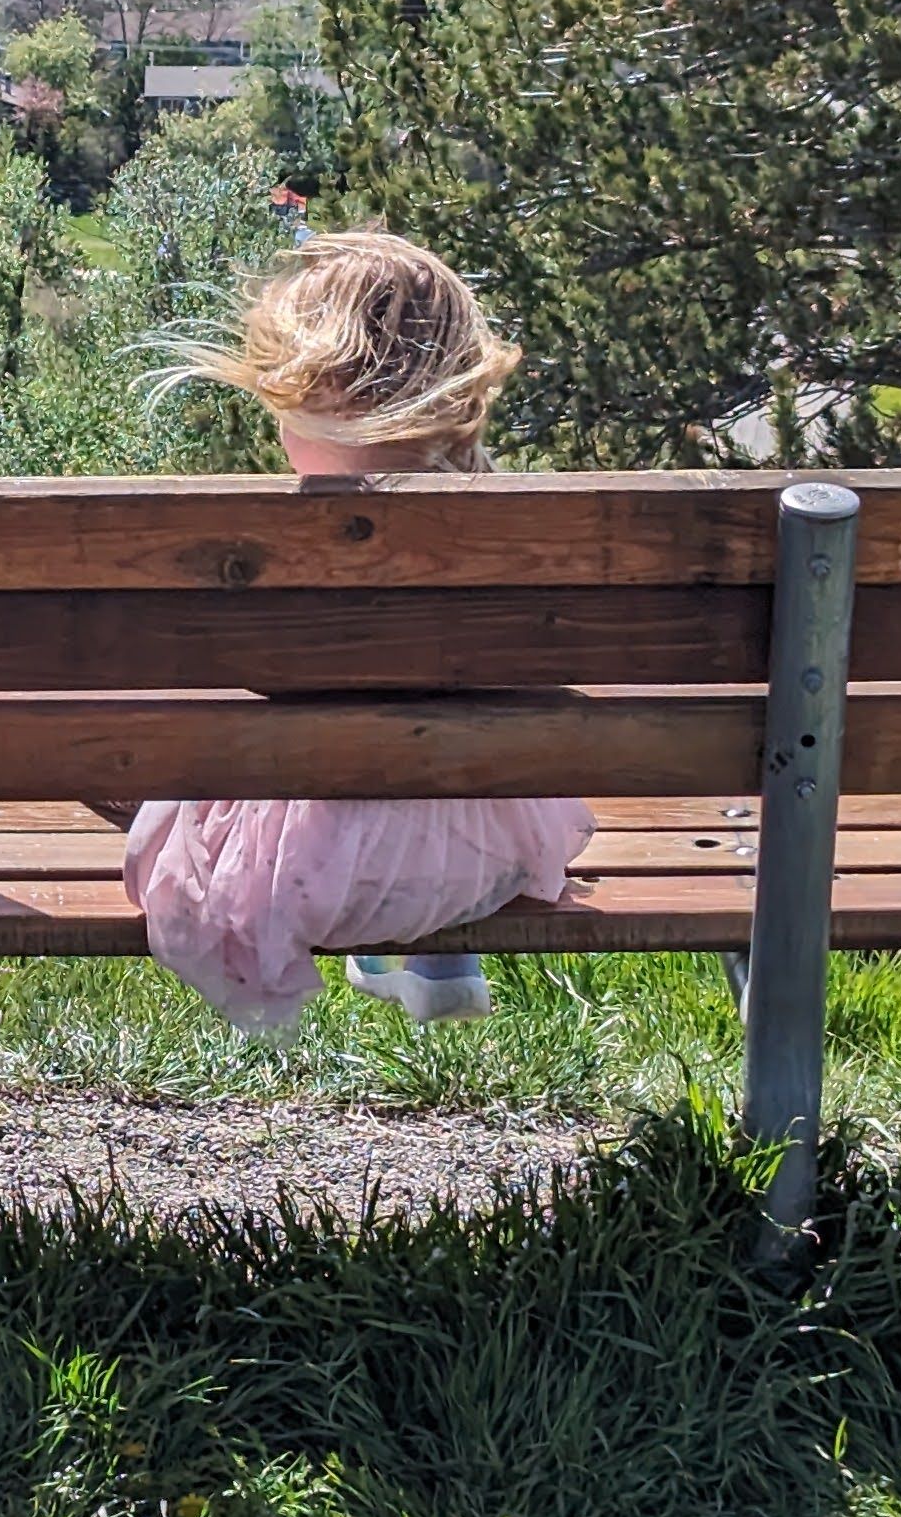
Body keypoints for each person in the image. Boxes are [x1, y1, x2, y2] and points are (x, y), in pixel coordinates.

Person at [124, 231, 595, 1031]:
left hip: (309, 866)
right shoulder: (511, 527)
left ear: (319, 394)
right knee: (429, 765)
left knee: (208, 805)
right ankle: (430, 952)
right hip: (481, 837)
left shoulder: (273, 542)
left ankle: (390, 938)